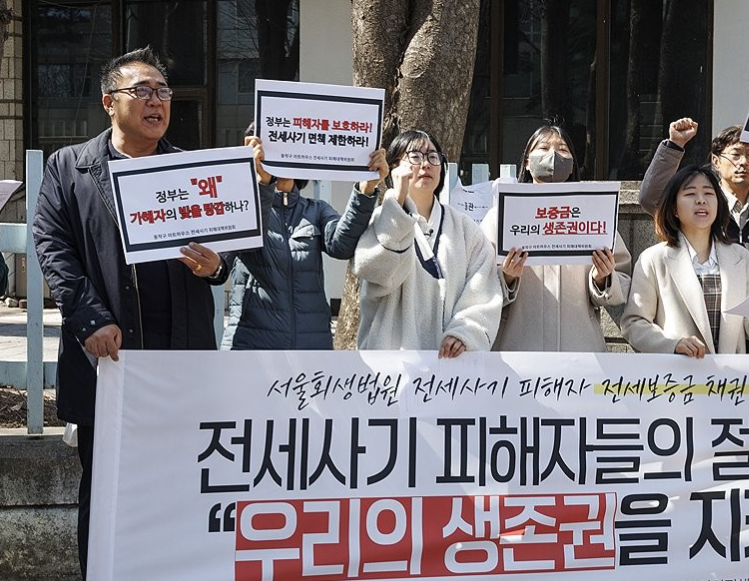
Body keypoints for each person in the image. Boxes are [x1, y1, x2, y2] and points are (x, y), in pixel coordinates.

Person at [32, 47, 229, 577]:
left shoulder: (189, 170)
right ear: (108, 102)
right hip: (109, 359)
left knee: (180, 486)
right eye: (141, 91)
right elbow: (53, 247)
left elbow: (224, 247)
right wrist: (89, 319)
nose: (156, 101)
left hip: (179, 362)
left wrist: (216, 266)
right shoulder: (70, 168)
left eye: (162, 91)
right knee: (107, 490)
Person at [221, 124, 384, 349]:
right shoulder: (243, 208)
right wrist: (263, 184)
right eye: (272, 147)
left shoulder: (316, 209)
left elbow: (341, 246)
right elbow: (241, 245)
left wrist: (365, 189)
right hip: (252, 346)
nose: (283, 155)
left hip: (311, 345)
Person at [481, 124, 632, 351]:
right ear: (527, 162)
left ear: (572, 166)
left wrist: (602, 278)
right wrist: (506, 278)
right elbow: (477, 282)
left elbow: (622, 277)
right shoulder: (501, 217)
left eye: (562, 150)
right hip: (517, 352)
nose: (553, 156)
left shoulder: (593, 216)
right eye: (543, 148)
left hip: (580, 352)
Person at [353, 129, 502, 356]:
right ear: (394, 167)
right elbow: (378, 275)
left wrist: (465, 332)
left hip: (450, 363)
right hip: (391, 361)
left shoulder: (465, 229)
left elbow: (484, 289)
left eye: (433, 157)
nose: (426, 164)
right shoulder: (380, 221)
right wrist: (397, 205)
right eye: (415, 156)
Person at [622, 165, 749, 357]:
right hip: (678, 372)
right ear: (674, 208)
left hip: (730, 373)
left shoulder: (740, 257)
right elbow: (634, 323)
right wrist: (672, 344)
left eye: (709, 193)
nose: (701, 200)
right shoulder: (654, 259)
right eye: (690, 194)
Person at [638, 118, 749, 274]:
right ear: (716, 161)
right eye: (736, 154)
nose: (743, 162)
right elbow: (652, 200)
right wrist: (674, 146)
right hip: (712, 291)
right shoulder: (702, 203)